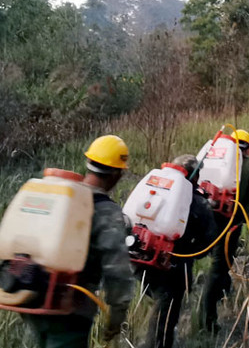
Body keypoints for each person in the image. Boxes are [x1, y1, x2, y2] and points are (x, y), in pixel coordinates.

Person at [23, 135, 134, 348]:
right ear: (116, 174)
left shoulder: (61, 195)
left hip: (33, 295)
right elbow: (118, 273)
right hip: (70, 309)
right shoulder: (106, 211)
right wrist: (117, 317)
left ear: (89, 164)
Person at [138, 155, 217, 348]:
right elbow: (208, 243)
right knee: (164, 318)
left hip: (140, 261)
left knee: (158, 302)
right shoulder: (198, 203)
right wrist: (190, 252)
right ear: (196, 176)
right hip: (173, 268)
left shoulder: (154, 188)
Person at [201, 129, 249, 333]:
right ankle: (207, 321)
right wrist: (247, 206)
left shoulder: (214, 160)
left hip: (206, 218)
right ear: (247, 149)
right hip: (231, 221)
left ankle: (223, 292)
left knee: (219, 261)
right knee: (219, 266)